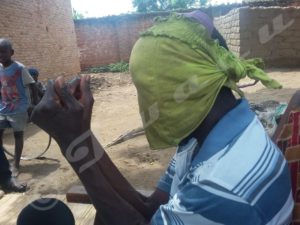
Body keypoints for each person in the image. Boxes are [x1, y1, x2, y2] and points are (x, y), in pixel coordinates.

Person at [31, 11, 293, 225]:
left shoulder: (223, 185)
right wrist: (82, 135)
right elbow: (151, 206)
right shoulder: (202, 137)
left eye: (145, 89)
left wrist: (70, 144)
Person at [0, 38, 37, 192]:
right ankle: (3, 163)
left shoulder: (20, 68)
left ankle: (16, 164)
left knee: (17, 135)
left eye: (3, 51)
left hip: (19, 108)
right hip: (4, 108)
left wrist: (33, 104)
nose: (0, 54)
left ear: (11, 52)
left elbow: (32, 85)